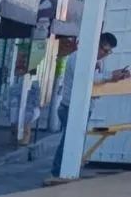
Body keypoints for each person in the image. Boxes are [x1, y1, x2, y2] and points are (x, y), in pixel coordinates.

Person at [51, 32, 131, 177]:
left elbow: (103, 76)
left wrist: (116, 75)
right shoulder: (79, 57)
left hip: (84, 107)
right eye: (104, 50)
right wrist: (110, 76)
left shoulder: (99, 61)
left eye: (109, 52)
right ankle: (58, 172)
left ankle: (65, 170)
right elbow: (88, 78)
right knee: (69, 141)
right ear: (97, 44)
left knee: (73, 140)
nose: (105, 54)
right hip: (70, 107)